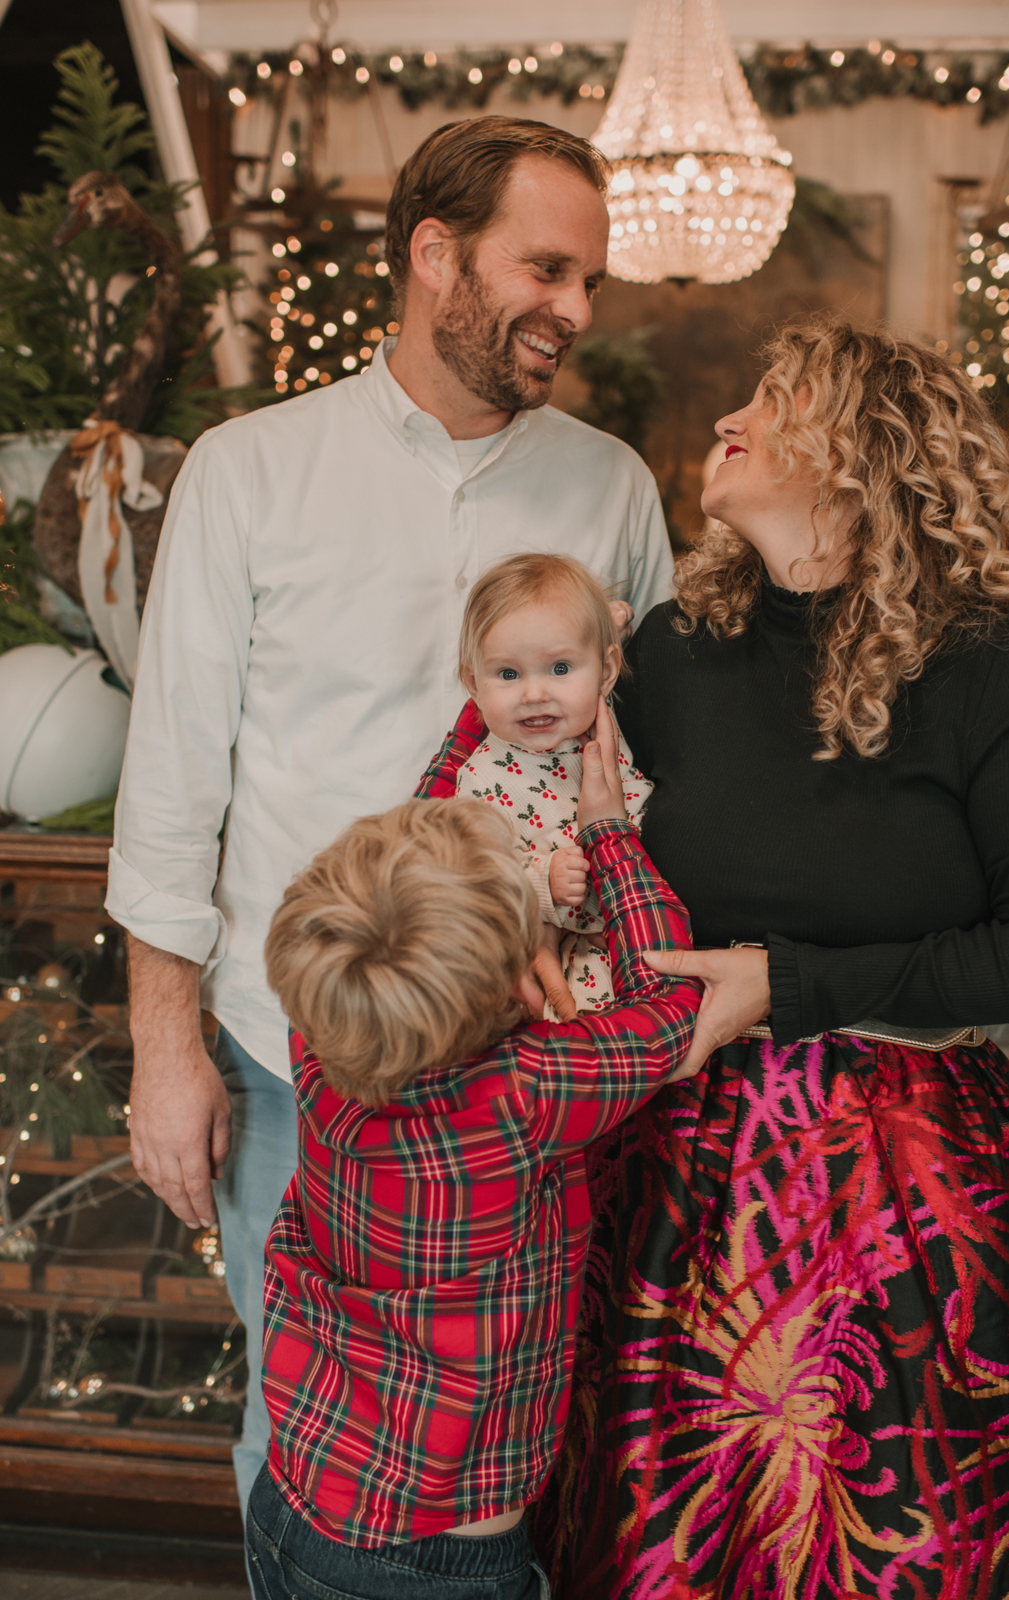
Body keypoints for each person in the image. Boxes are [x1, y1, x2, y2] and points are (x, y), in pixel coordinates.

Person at [426, 318, 1009, 1597]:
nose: (729, 415)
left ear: (857, 459)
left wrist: (786, 986)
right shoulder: (673, 652)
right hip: (663, 1175)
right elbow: (528, 804)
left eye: (771, 399)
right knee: (647, 1550)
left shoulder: (997, 671)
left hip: (908, 1193)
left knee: (901, 1549)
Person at [105, 114, 673, 1515]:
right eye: (546, 269)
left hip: (542, 1079)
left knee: (535, 1441)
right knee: (303, 1437)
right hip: (294, 1063)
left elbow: (656, 763)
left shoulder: (611, 486)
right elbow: (174, 784)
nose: (576, 310)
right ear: (435, 254)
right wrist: (167, 1050)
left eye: (591, 281)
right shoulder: (249, 470)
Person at [248, 703, 717, 1599]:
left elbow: (415, 860)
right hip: (436, 1564)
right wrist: (609, 831)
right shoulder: (525, 1091)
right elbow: (668, 993)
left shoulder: (320, 1031)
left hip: (294, 1498)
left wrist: (476, 725)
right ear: (508, 979)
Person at [441, 552, 652, 1014]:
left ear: (607, 673)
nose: (534, 694)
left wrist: (613, 618)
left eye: (559, 669)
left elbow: (594, 635)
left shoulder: (598, 719)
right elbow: (478, 878)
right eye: (508, 674)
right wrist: (544, 883)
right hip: (569, 952)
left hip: (641, 919)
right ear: (473, 684)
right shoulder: (480, 778)